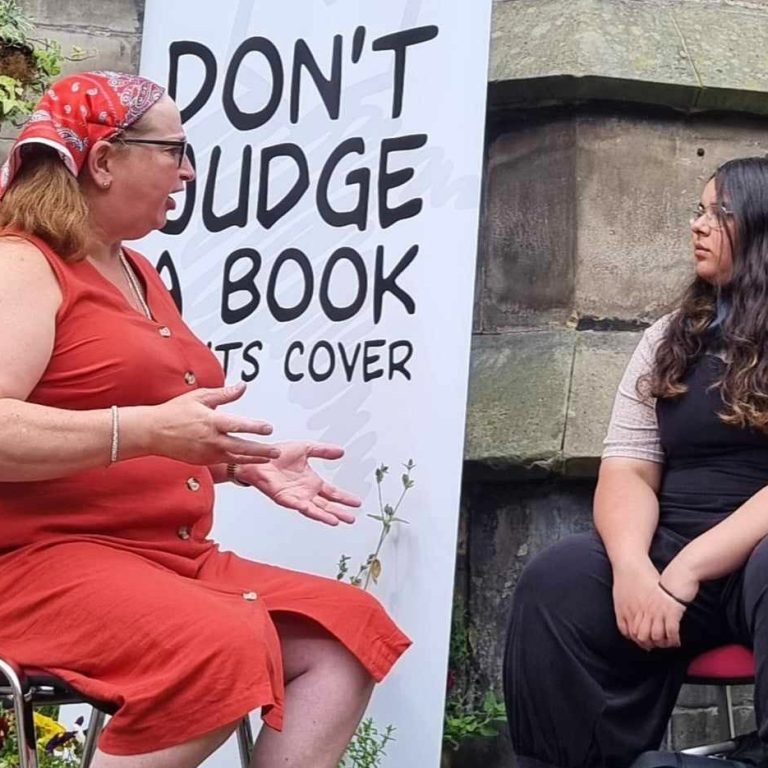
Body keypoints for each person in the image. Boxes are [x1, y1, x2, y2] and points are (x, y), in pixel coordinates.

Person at [0, 71, 410, 768]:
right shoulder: (23, 266)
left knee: (345, 631)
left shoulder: (136, 271)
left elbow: (138, 422)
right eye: (174, 150)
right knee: (223, 646)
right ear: (103, 161)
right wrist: (143, 431)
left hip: (171, 562)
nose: (188, 172)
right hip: (40, 567)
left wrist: (233, 461)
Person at [504, 156, 768, 768]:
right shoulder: (669, 336)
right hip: (673, 551)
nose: (698, 227)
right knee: (560, 578)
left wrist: (689, 570)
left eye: (720, 215)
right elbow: (627, 468)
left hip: (752, 557)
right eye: (699, 211)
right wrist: (631, 569)